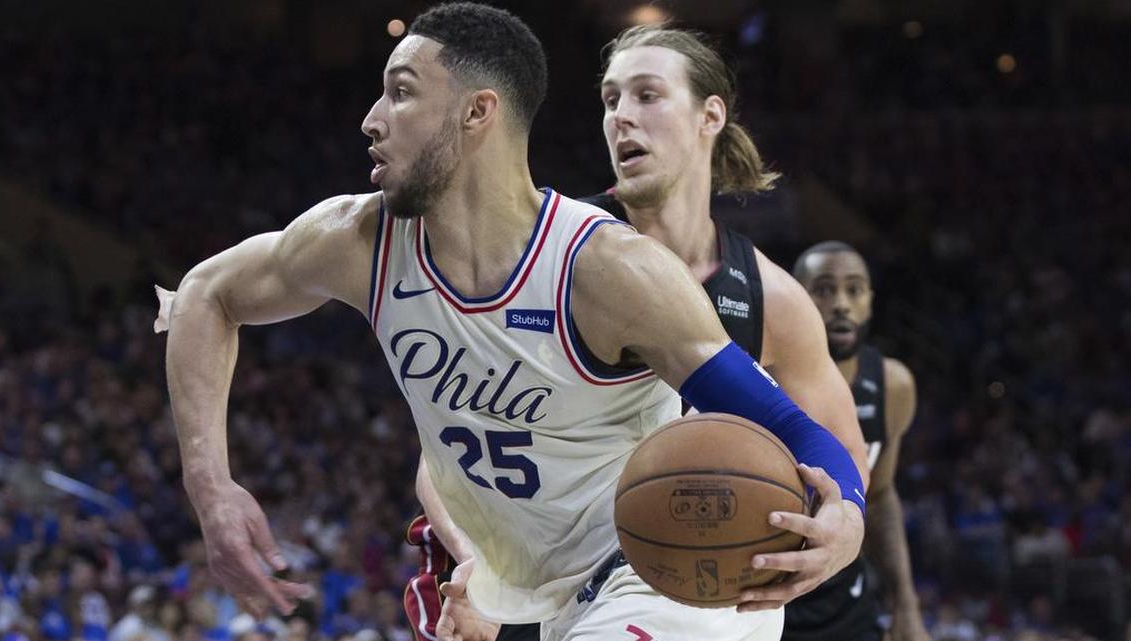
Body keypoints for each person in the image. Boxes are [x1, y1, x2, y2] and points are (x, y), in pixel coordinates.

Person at [158, 5, 866, 641]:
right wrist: (211, 490)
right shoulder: (357, 242)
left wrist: (849, 514)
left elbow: (797, 428)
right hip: (540, 599)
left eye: (401, 92)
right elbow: (203, 295)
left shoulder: (608, 271)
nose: (372, 118)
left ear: (477, 113)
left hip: (667, 577)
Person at [407, 23, 873, 641]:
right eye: (610, 100)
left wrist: (842, 530)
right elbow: (441, 458)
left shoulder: (772, 299)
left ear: (710, 116)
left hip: (680, 582)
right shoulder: (549, 254)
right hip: (527, 579)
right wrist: (475, 566)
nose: (622, 116)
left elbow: (842, 458)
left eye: (646, 95)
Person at [790, 241, 927, 641]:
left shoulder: (893, 384)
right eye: (824, 288)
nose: (841, 304)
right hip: (764, 597)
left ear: (870, 301)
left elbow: (882, 496)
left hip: (848, 603)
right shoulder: (761, 377)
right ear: (795, 297)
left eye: (854, 289)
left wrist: (906, 604)